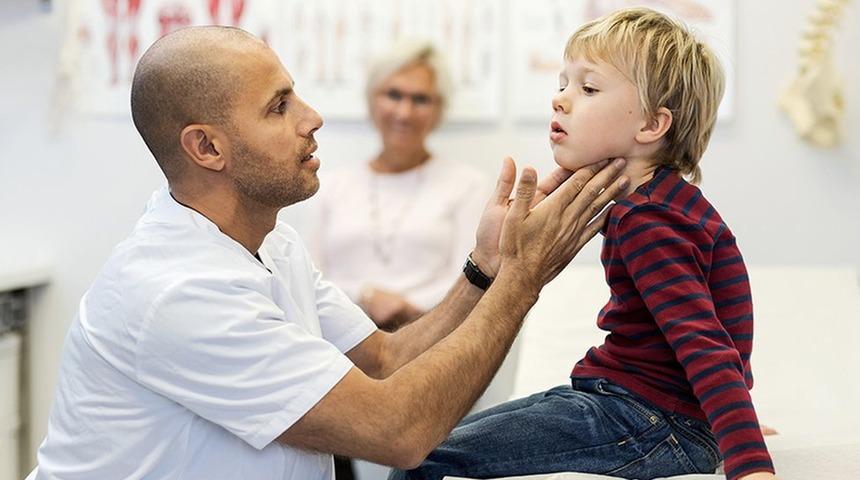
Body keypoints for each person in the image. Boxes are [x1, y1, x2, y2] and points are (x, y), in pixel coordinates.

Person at [26, 26, 630, 480]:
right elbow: (396, 430)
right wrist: (522, 282)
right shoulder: (178, 290)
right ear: (207, 146)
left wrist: (486, 271)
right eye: (279, 106)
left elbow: (384, 362)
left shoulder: (269, 242)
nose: (312, 118)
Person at [391, 8, 778, 480]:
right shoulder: (663, 201)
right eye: (562, 84)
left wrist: (746, 457)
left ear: (652, 125)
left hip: (650, 420)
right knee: (428, 438)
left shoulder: (648, 220)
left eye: (588, 89)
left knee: (421, 457)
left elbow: (704, 341)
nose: (560, 101)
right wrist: (723, 420)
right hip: (637, 404)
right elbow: (714, 322)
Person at [306, 39, 488, 332]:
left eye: (420, 99)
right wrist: (365, 296)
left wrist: (405, 308)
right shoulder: (330, 185)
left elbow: (470, 278)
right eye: (393, 95)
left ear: (439, 109)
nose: (404, 113)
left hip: (431, 339)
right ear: (371, 99)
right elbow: (309, 277)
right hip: (340, 346)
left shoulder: (467, 185)